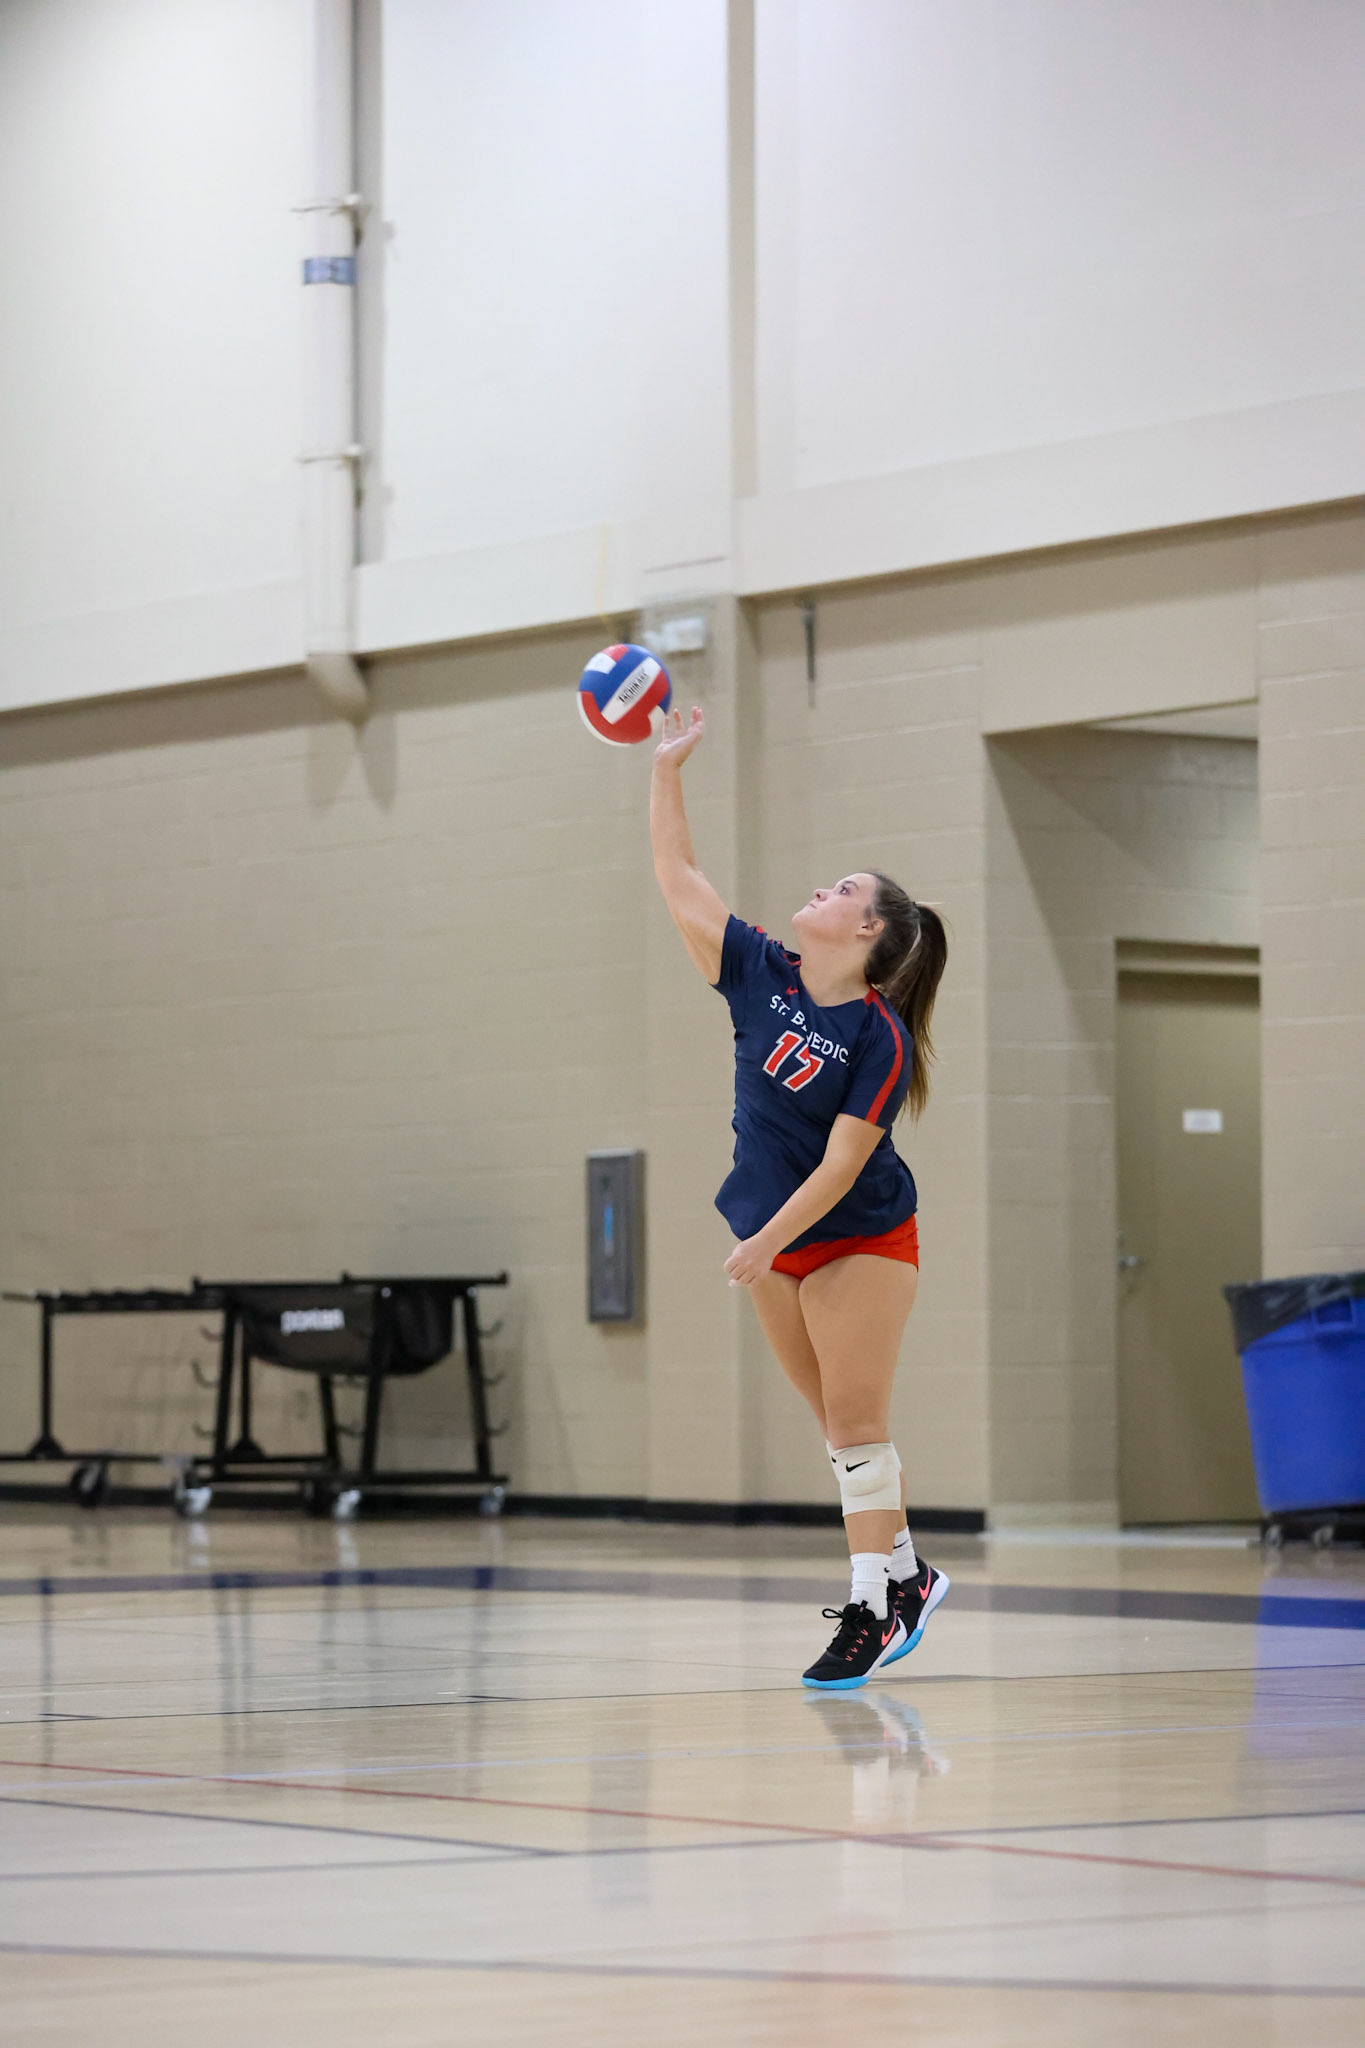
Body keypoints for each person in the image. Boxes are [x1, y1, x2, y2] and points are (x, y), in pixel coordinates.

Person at [650, 703, 951, 1689]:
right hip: (775, 1237)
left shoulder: (879, 1036)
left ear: (865, 929)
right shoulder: (760, 973)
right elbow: (682, 883)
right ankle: (907, 1576)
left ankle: (870, 1607)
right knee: (837, 1427)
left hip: (859, 1234)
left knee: (859, 1421)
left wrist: (762, 1241)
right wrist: (666, 773)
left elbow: (837, 1166)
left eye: (840, 888)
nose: (817, 889)